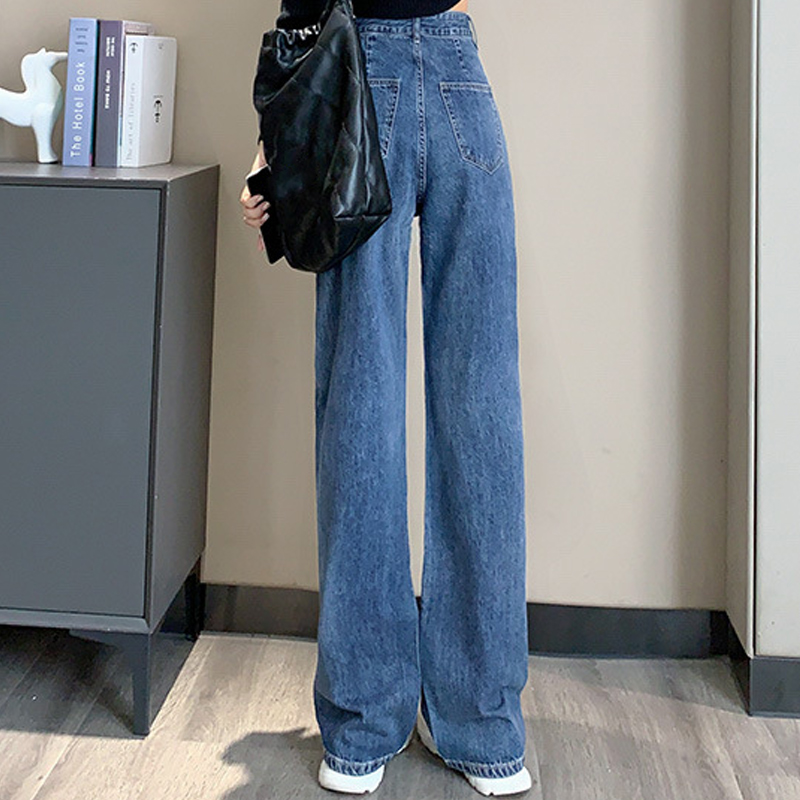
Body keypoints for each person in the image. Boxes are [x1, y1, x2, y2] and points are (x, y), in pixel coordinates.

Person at [241, 1, 532, 795]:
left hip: (374, 77)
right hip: (449, 76)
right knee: (473, 408)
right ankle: (480, 723)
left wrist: (278, 134)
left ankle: (368, 722)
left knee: (368, 404)